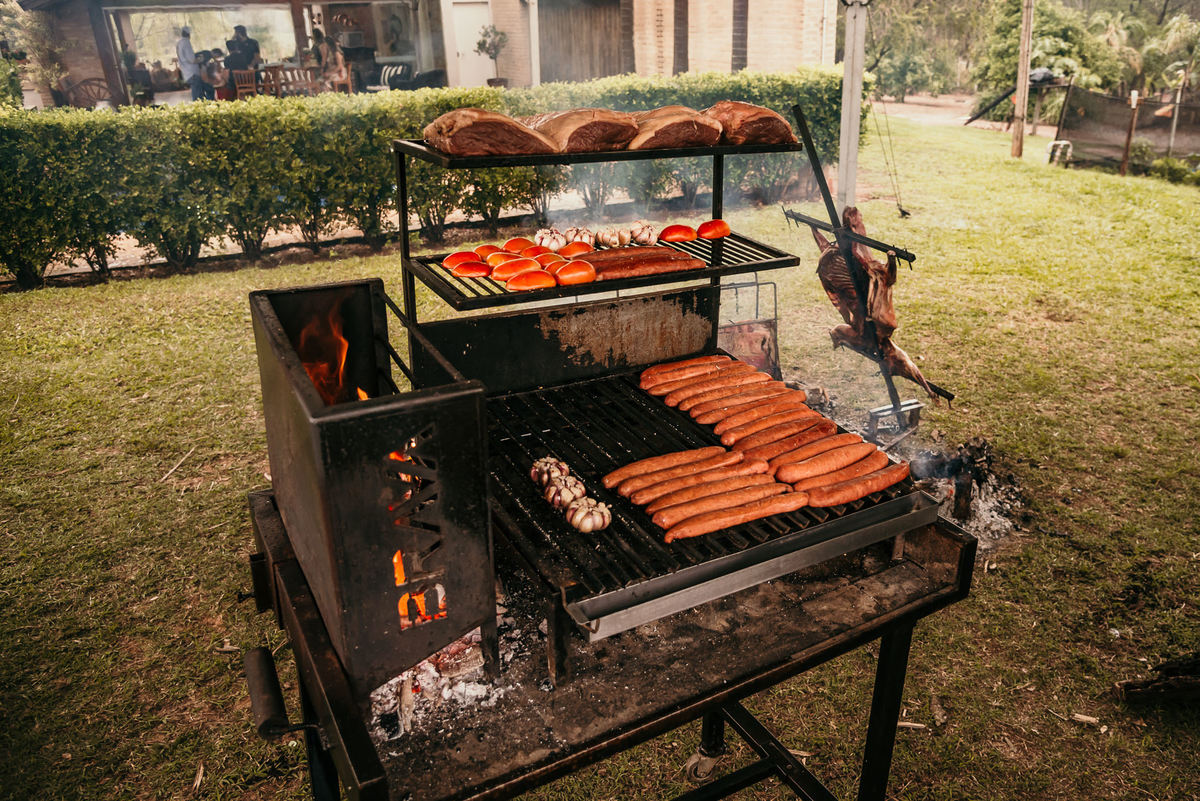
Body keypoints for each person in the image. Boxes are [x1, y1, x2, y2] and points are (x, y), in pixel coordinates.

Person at [176, 26, 203, 101]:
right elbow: (192, 60)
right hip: (193, 73)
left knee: (196, 94)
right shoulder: (186, 42)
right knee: (198, 96)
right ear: (189, 34)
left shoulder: (179, 43)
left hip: (186, 73)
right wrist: (201, 59)